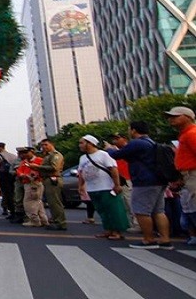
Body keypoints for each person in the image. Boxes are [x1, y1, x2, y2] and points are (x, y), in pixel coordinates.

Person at [106, 121, 173, 250]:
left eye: (129, 129)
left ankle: (148, 239)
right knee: (159, 211)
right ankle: (165, 240)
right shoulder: (151, 142)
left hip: (144, 181)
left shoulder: (137, 143)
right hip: (158, 180)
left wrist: (109, 148)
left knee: (141, 211)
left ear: (134, 130)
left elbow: (116, 155)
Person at [77, 134, 129, 240]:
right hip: (92, 188)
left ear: (90, 143)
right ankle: (108, 230)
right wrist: (81, 186)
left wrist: (117, 185)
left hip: (107, 187)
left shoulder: (103, 155)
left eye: (82, 143)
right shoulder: (83, 158)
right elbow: (81, 173)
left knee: (113, 210)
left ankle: (116, 231)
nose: (80, 145)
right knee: (102, 210)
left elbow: (113, 169)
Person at [167, 106, 196, 228]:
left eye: (175, 116)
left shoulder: (191, 133)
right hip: (187, 175)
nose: (170, 119)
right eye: (170, 116)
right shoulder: (185, 134)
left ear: (188, 117)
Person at [34, 139, 67, 231]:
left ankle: (60, 223)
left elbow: (54, 167)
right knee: (52, 203)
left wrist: (37, 167)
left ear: (52, 144)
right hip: (47, 179)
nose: (43, 147)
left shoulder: (56, 155)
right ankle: (56, 220)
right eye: (42, 145)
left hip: (53, 179)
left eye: (46, 144)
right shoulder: (47, 156)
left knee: (55, 202)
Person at [17, 147, 48, 227]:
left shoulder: (39, 160)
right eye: (23, 153)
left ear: (32, 152)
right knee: (38, 202)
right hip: (28, 182)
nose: (24, 154)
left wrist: (34, 175)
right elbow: (19, 171)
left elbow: (44, 170)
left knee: (30, 203)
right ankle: (43, 220)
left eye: (26, 152)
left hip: (34, 183)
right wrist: (22, 175)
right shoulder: (24, 162)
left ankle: (34, 220)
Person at [0, 142, 17, 217]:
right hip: (13, 177)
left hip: (3, 177)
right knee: (13, 193)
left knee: (5, 194)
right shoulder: (13, 156)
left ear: (0, 147)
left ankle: (6, 209)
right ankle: (15, 209)